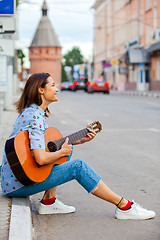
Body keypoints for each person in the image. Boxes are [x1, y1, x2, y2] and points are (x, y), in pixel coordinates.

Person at [1, 73, 155, 220]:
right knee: (78, 166)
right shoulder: (35, 117)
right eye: (53, 85)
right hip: (19, 185)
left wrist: (77, 140)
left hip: (13, 181)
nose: (57, 89)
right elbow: (40, 159)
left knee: (64, 150)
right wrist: (62, 151)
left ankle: (49, 202)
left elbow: (39, 148)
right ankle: (125, 207)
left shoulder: (31, 112)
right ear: (41, 90)